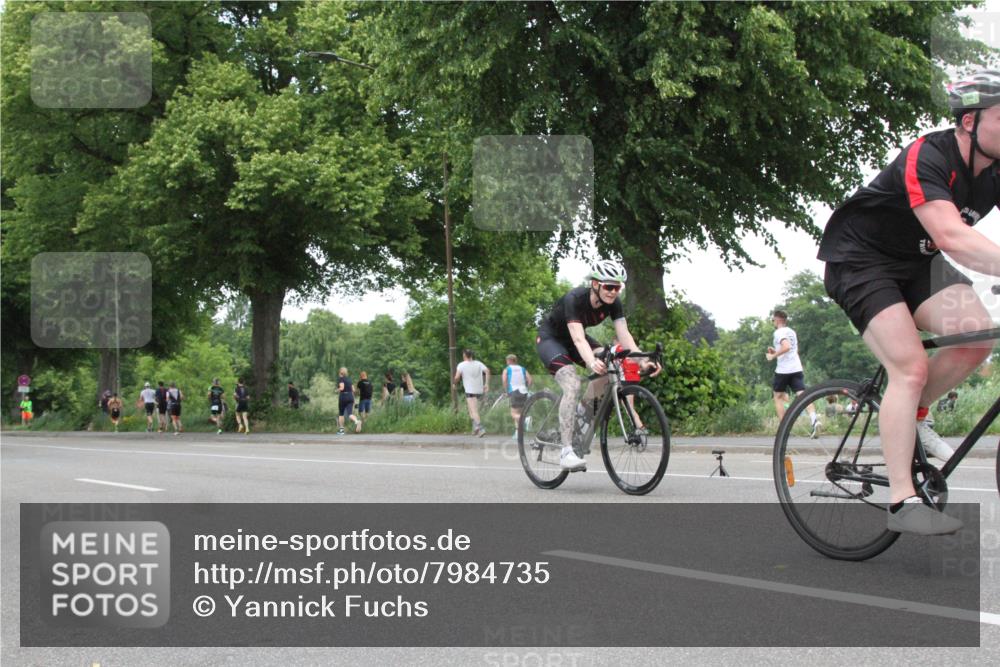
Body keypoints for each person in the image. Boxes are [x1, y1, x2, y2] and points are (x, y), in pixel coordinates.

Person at [817, 70, 1000, 535]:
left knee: (975, 338)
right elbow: (950, 234)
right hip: (861, 259)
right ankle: (902, 500)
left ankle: (916, 415)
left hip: (918, 262)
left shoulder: (996, 171)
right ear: (969, 121)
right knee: (911, 367)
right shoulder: (929, 155)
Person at [535, 259, 661, 471]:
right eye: (609, 286)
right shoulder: (574, 298)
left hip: (578, 339)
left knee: (615, 361)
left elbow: (624, 336)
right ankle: (566, 451)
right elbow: (577, 339)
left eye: (618, 287)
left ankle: (583, 410)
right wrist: (591, 361)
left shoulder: (614, 303)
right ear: (595, 284)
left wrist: (643, 360)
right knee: (572, 383)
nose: (613, 292)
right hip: (552, 340)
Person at [766, 310, 820, 437]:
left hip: (784, 370)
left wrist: (773, 355)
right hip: (796, 367)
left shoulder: (779, 332)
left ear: (778, 320)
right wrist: (776, 351)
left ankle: (784, 430)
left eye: (773, 320)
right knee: (802, 395)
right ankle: (814, 420)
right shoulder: (791, 331)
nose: (773, 322)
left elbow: (787, 347)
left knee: (778, 397)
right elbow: (791, 350)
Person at [611, 337, 656, 434]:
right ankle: (638, 427)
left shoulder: (616, 348)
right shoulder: (630, 349)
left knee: (629, 407)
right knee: (629, 405)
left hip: (625, 379)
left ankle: (640, 427)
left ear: (616, 340)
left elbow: (608, 360)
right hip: (635, 378)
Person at [454, 350, 490, 437]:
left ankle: (481, 429)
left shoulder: (461, 365)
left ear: (464, 355)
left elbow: (457, 377)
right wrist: (486, 384)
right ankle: (475, 429)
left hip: (470, 390)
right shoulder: (478, 363)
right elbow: (487, 371)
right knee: (471, 410)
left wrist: (454, 383)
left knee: (474, 411)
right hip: (479, 390)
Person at [502, 354, 533, 440]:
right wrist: (527, 388)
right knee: (519, 412)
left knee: (514, 414)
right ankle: (518, 433)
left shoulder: (507, 369)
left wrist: (506, 391)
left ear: (509, 361)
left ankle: (526, 419)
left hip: (514, 391)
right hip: (524, 392)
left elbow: (504, 380)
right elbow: (530, 380)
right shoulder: (522, 369)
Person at [337, 367, 361, 434]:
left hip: (343, 397)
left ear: (340, 372)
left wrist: (337, 390)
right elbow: (353, 390)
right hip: (350, 397)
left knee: (341, 414)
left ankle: (341, 430)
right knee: (350, 414)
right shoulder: (349, 380)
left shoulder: (341, 379)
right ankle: (357, 421)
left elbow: (342, 388)